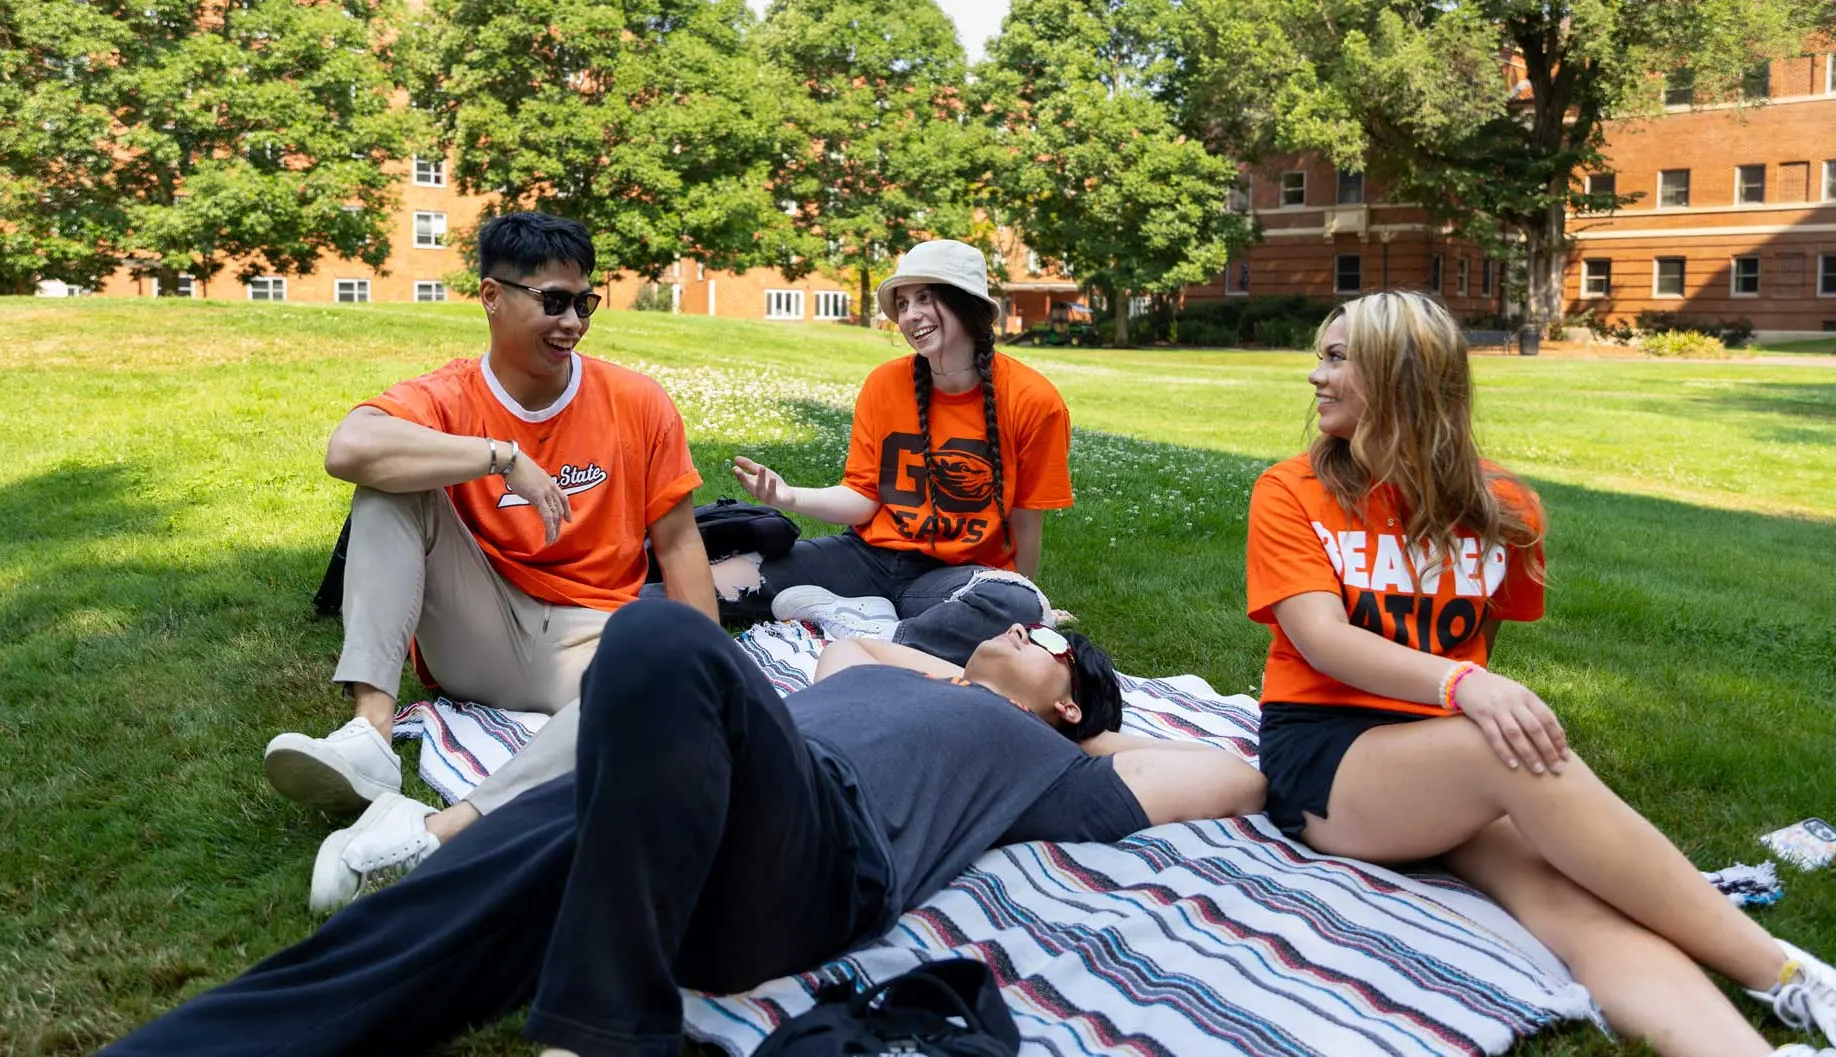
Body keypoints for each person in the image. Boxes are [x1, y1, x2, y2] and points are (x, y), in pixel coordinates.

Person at [104, 600, 1266, 1057]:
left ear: (1067, 698)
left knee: (658, 634)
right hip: (670, 824)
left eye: (1045, 636)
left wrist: (1086, 733)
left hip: (810, 859)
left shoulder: (1040, 763)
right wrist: (968, 668)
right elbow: (845, 643)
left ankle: (601, 1034)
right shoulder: (908, 677)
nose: (1020, 623)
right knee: (416, 930)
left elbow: (1232, 775)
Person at [1245, 291, 1836, 1057]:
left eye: (1335, 357)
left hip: (1446, 762)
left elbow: (1477, 641)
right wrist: (1468, 689)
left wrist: (1469, 699)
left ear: (1403, 375)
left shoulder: (1506, 508)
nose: (1314, 376)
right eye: (1320, 356)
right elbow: (1322, 641)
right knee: (1506, 747)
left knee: (1574, 900)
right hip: (1328, 759)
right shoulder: (1292, 490)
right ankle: (1783, 966)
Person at [261, 212, 717, 911]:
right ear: (491, 296)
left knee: (658, 695)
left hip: (592, 639)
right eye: (553, 302)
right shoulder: (452, 395)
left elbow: (680, 542)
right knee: (385, 487)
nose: (573, 323)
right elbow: (347, 448)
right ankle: (369, 738)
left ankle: (429, 833)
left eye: (584, 303)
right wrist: (500, 457)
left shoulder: (637, 402)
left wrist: (708, 660)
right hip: (481, 625)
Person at [712, 238, 1074, 664]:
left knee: (1015, 608)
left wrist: (1028, 600)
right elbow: (864, 499)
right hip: (867, 558)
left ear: (967, 304)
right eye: (902, 303)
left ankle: (870, 631)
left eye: (925, 297)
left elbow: (1026, 524)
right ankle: (613, 616)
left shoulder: (1034, 400)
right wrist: (789, 497)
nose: (910, 315)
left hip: (953, 577)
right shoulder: (885, 384)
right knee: (718, 579)